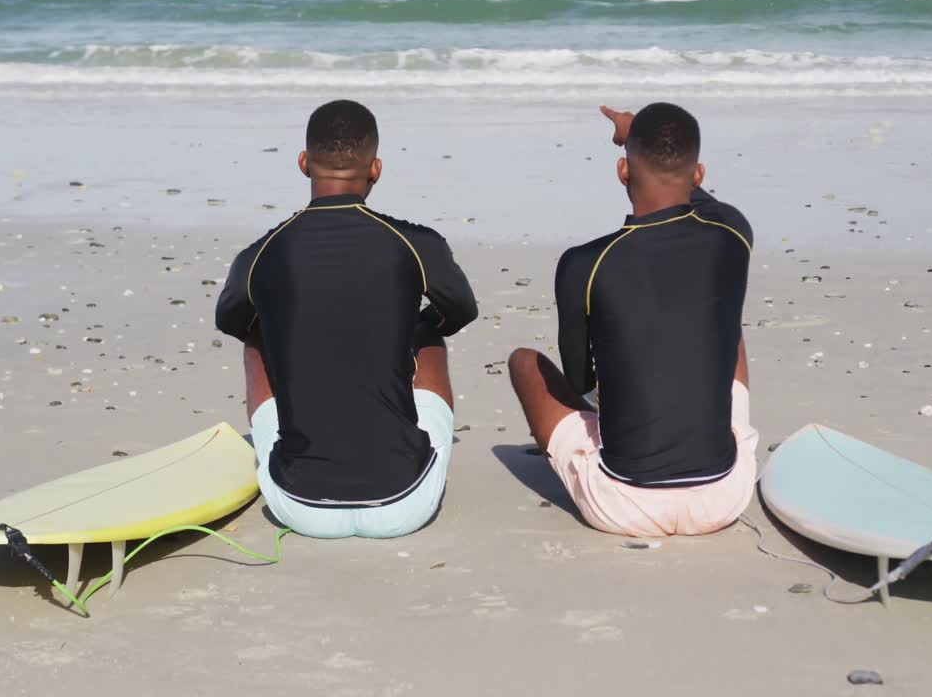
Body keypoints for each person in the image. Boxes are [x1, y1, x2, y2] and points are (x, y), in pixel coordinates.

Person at [216, 100, 478, 539]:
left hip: (299, 505)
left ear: (304, 163)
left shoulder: (260, 253)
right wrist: (397, 328)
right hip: (405, 501)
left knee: (257, 337)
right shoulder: (415, 243)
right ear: (375, 168)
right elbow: (460, 310)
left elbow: (230, 319)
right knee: (426, 330)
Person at [507, 103, 758, 538]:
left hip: (623, 503)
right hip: (725, 495)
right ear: (698, 175)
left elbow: (581, 378)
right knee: (726, 328)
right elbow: (707, 207)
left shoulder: (583, 263)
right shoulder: (733, 236)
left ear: (623, 171)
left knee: (525, 362)